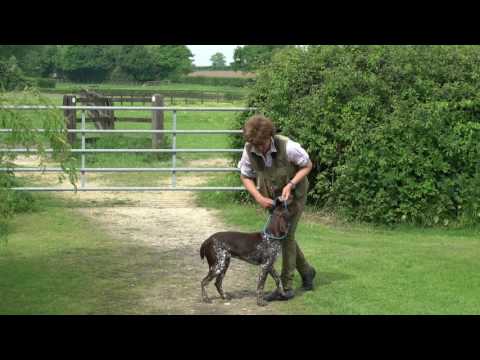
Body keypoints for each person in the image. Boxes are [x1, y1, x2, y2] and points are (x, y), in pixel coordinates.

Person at [237, 114, 316, 301]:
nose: (259, 148)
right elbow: (245, 175)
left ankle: (286, 287)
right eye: (255, 145)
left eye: (262, 144)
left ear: (269, 136)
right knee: (283, 236)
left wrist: (291, 184)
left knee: (286, 236)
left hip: (295, 196)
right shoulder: (249, 149)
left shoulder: (288, 147)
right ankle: (307, 271)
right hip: (271, 199)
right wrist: (258, 196)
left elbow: (307, 165)